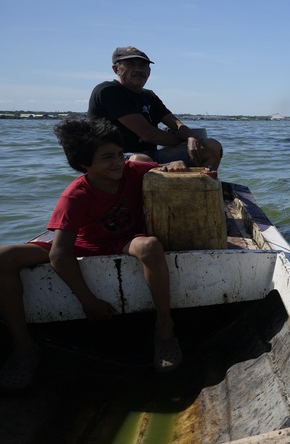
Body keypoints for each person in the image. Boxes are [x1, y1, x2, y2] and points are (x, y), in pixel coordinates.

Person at [0, 117, 187, 390]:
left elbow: (162, 168)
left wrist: (173, 165)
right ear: (84, 164)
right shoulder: (75, 195)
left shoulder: (133, 170)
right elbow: (60, 254)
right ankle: (24, 348)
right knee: (4, 256)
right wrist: (88, 301)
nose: (117, 162)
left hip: (124, 240)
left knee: (150, 246)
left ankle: (165, 329)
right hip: (85, 243)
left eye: (119, 155)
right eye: (107, 158)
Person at [88, 46, 223, 169]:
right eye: (130, 64)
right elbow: (149, 135)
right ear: (116, 69)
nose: (138, 69)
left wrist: (192, 138)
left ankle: (202, 189)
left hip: (151, 155)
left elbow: (175, 123)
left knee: (212, 147)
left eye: (143, 65)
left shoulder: (149, 96)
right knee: (141, 160)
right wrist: (185, 141)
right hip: (116, 158)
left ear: (149, 71)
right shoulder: (108, 91)